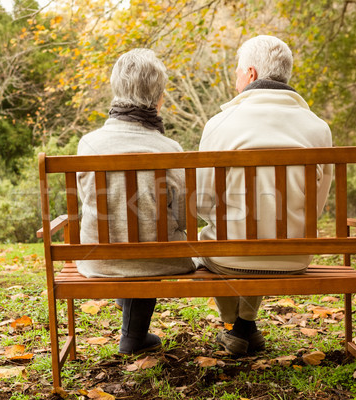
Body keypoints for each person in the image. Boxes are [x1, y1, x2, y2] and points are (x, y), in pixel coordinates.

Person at [196, 35, 333, 356]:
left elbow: (202, 203)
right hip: (295, 257)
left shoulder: (219, 124)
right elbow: (317, 207)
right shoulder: (318, 128)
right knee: (261, 228)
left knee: (226, 236)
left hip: (229, 260)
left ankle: (233, 326)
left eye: (237, 71)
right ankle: (245, 326)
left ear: (252, 75)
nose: (235, 78)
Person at [76, 49, 195, 354]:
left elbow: (88, 204)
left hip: (99, 258)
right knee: (148, 238)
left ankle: (133, 331)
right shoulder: (170, 148)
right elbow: (183, 216)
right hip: (161, 258)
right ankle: (133, 337)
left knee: (131, 237)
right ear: (159, 98)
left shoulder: (88, 144)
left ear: (116, 89)